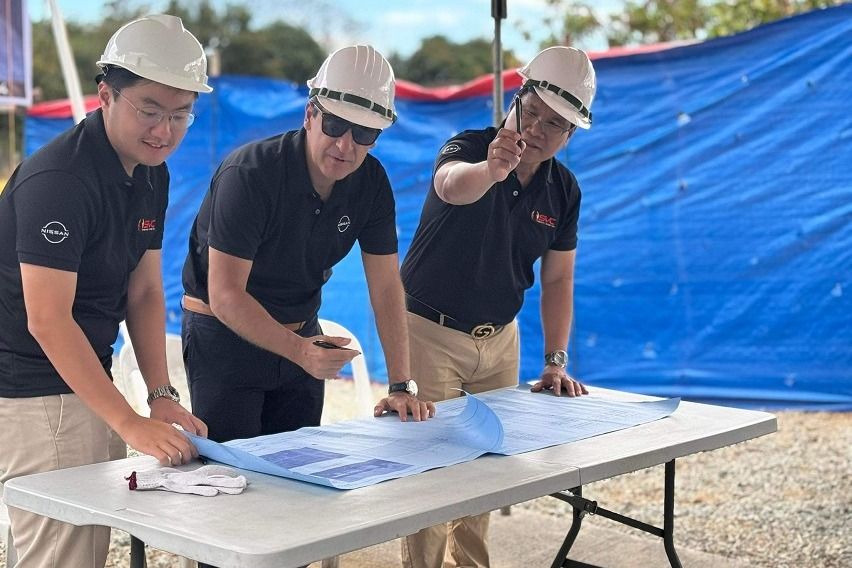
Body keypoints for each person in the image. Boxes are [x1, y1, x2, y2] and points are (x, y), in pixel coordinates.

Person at [0, 14, 211, 568]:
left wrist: (159, 396)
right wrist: (127, 421)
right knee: (63, 555)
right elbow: (46, 318)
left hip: (87, 377)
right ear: (105, 96)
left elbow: (143, 290)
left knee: (89, 544)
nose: (164, 130)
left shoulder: (150, 171)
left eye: (181, 113)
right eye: (149, 109)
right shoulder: (61, 181)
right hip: (32, 392)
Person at [398, 46, 596, 568]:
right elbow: (449, 185)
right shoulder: (469, 146)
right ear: (515, 100)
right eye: (531, 111)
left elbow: (558, 279)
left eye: (555, 125)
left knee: (487, 466)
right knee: (433, 467)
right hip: (427, 326)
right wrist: (490, 169)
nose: (536, 129)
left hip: (500, 335)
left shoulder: (564, 189)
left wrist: (556, 360)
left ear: (571, 134)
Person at [181, 44, 434, 451]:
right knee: (233, 481)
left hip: (302, 333)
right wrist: (300, 352)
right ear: (310, 115)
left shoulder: (371, 182)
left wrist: (402, 383)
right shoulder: (251, 174)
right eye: (335, 125)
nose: (345, 145)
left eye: (364, 133)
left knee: (298, 477)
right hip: (224, 333)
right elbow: (225, 294)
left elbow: (386, 285)